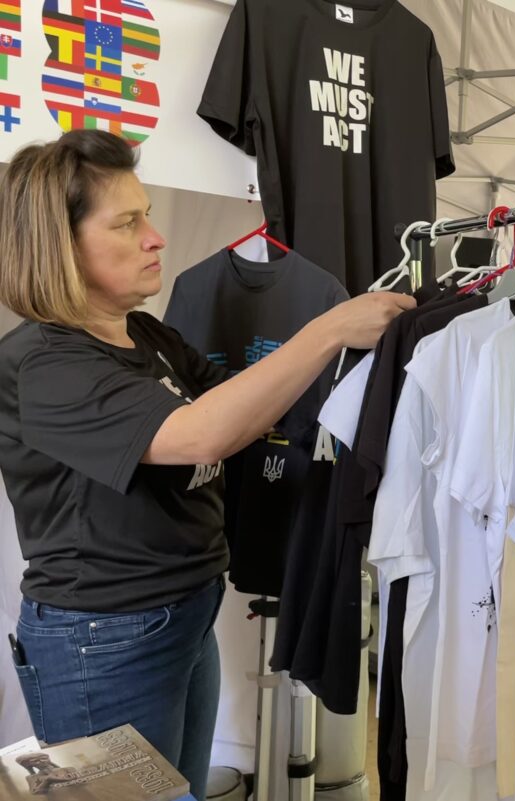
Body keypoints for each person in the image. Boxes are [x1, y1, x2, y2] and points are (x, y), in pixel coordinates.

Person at [0, 130, 415, 800]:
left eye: (147, 216)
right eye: (127, 223)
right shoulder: (45, 365)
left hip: (186, 611)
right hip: (102, 640)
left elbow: (237, 403)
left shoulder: (144, 333)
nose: (155, 238)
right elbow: (201, 435)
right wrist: (330, 328)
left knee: (179, 788)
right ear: (60, 245)